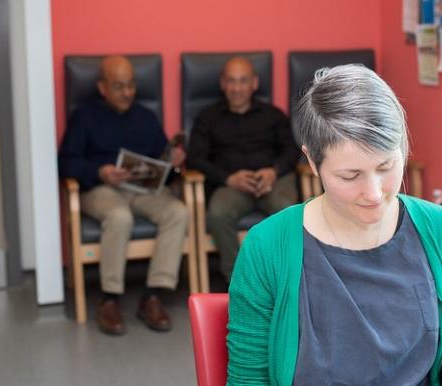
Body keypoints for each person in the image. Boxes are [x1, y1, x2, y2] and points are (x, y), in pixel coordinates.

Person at [226, 64, 442, 385]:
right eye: (350, 175)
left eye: (386, 166)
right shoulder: (267, 247)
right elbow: (249, 379)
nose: (374, 193)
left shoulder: (441, 231)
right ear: (312, 161)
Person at [58, 55, 188, 335]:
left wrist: (173, 162)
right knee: (119, 217)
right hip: (101, 188)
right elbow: (66, 162)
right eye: (119, 86)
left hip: (142, 188)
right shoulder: (84, 117)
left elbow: (163, 166)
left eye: (131, 85)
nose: (128, 92)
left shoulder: (145, 116)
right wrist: (100, 171)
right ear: (102, 87)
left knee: (178, 212)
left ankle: (153, 295)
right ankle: (110, 299)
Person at [186, 56, 300, 281]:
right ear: (222, 84)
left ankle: (281, 279)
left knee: (288, 211)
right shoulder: (207, 118)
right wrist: (228, 178)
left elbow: (292, 151)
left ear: (254, 83)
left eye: (243, 81)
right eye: (231, 81)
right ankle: (238, 280)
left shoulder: (273, 115)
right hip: (231, 185)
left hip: (273, 182)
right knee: (218, 214)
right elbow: (195, 159)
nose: (237, 88)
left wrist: (273, 172)